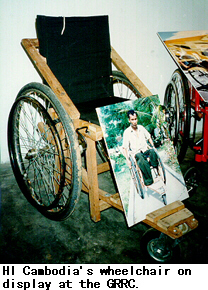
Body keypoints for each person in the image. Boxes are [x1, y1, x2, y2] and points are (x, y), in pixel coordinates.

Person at [122, 110, 158, 186]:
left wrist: (153, 146)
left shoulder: (141, 128)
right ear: (129, 120)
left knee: (152, 151)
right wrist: (128, 160)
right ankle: (148, 180)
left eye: (135, 119)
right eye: (132, 119)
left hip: (145, 151)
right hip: (136, 154)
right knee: (140, 158)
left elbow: (149, 137)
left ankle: (154, 166)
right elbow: (124, 148)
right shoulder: (127, 132)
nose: (134, 121)